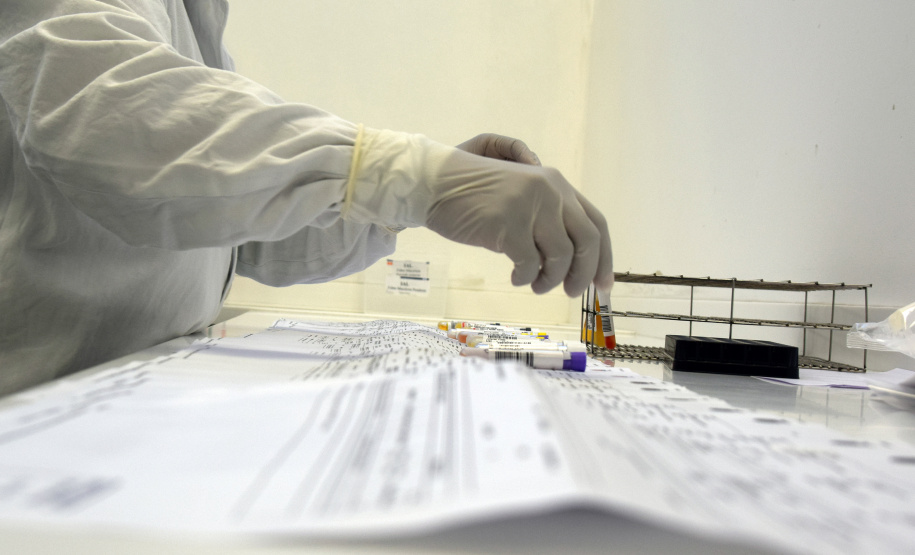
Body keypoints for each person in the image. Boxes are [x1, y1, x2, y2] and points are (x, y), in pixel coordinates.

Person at [0, 0, 613, 396]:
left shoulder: (195, 21)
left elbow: (236, 221)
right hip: (37, 401)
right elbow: (111, 117)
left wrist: (416, 193)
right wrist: (414, 177)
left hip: (123, 390)